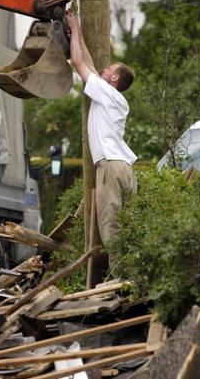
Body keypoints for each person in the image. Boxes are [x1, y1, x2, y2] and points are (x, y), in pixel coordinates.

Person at [66, 13, 137, 264]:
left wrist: (74, 28)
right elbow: (89, 63)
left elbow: (77, 61)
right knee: (130, 226)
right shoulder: (113, 96)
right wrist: (80, 34)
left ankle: (121, 283)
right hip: (125, 168)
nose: (104, 69)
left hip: (109, 165)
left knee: (111, 228)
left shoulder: (106, 92)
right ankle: (135, 274)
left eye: (109, 69)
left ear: (114, 78)